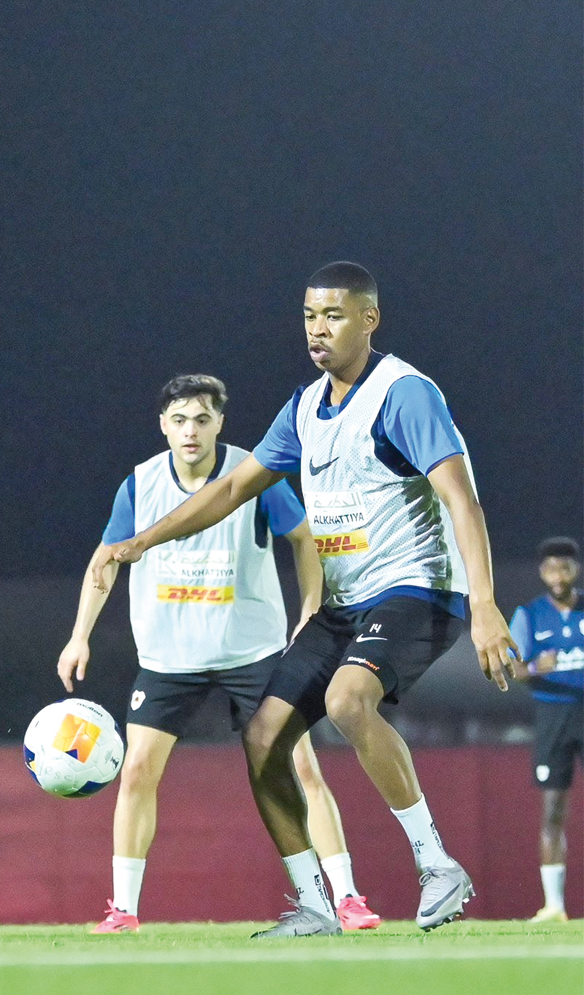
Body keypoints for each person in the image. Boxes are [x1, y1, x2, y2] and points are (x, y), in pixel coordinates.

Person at [92, 261, 518, 936]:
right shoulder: (303, 406)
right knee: (262, 735)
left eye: (334, 316)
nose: (317, 330)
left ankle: (435, 862)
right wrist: (143, 539)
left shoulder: (402, 394)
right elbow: (233, 487)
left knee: (349, 700)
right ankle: (314, 904)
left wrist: (485, 603)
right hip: (345, 604)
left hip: (415, 588)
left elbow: (459, 497)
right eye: (308, 316)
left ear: (368, 319)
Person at [59, 374, 381, 933]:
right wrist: (79, 633)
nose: (190, 431)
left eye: (202, 419)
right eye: (179, 420)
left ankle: (347, 898)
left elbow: (303, 538)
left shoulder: (250, 473)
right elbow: (105, 560)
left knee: (300, 765)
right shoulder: (139, 485)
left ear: (219, 424)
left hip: (251, 652)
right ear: (163, 425)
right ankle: (125, 910)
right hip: (167, 658)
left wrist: (310, 608)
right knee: (135, 771)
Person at [509, 536, 583, 922]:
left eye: (565, 567)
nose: (558, 575)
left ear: (577, 569)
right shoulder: (529, 614)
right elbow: (511, 668)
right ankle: (554, 905)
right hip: (553, 716)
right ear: (542, 572)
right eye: (552, 568)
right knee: (553, 809)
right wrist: (538, 667)